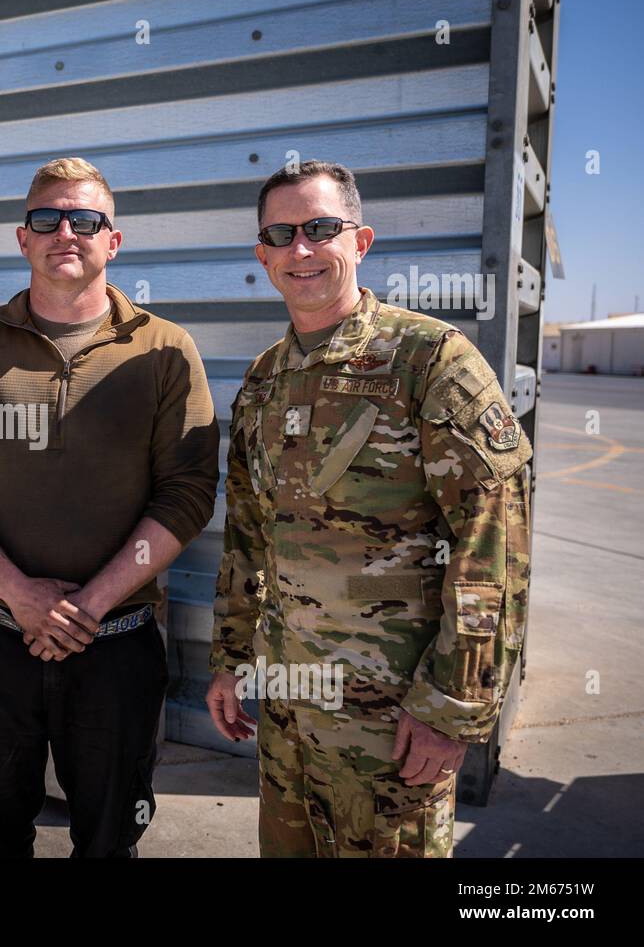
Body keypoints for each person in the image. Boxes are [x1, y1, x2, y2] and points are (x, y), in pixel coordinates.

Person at [206, 160, 532, 857]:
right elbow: (247, 539)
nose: (302, 249)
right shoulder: (264, 381)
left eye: (322, 228)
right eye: (281, 233)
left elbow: (493, 548)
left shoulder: (429, 362)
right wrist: (233, 657)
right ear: (262, 254)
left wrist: (454, 707)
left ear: (362, 241)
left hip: (393, 730)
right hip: (288, 718)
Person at [0, 157, 219, 857]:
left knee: (110, 841)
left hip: (117, 645)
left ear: (114, 240)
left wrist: (88, 606)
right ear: (22, 238)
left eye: (86, 220)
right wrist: (19, 595)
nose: (66, 232)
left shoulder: (165, 351)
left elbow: (188, 492)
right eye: (46, 218)